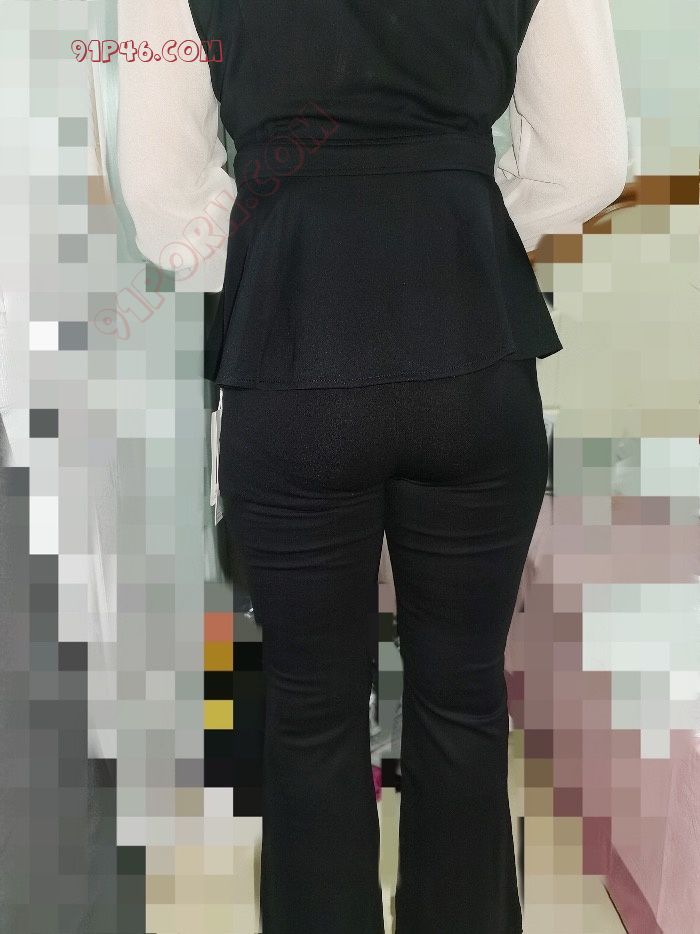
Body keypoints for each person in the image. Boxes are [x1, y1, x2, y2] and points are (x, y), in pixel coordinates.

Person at [117, 1, 627, 931]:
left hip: (293, 351)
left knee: (310, 714)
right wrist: (459, 213)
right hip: (473, 347)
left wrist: (276, 241)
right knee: (464, 701)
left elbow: (161, 198)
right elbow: (590, 158)